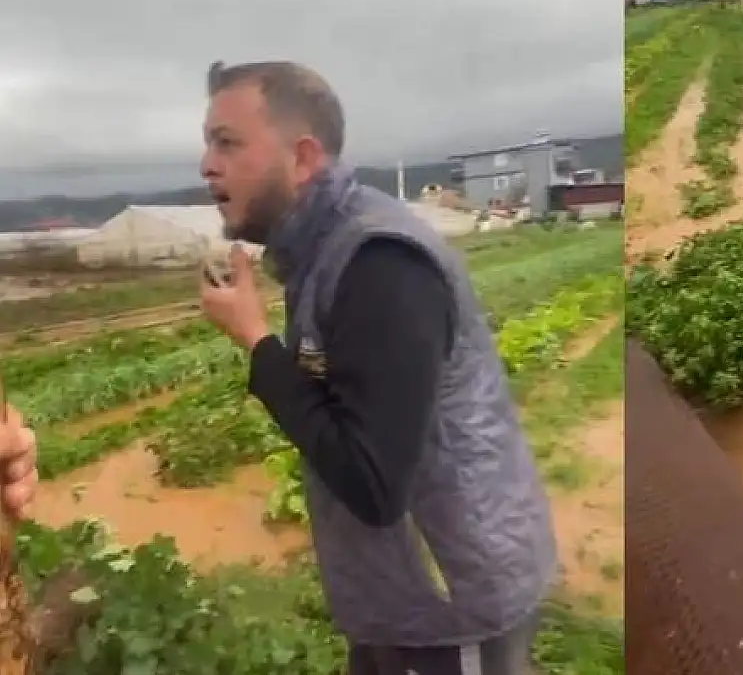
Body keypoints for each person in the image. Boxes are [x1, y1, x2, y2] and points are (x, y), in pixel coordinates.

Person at [195, 60, 556, 675]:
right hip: (410, 600)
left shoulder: (377, 262)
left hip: (448, 610)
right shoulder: (326, 252)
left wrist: (257, 341)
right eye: (207, 143)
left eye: (226, 143)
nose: (206, 164)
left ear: (303, 157)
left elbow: (373, 483)